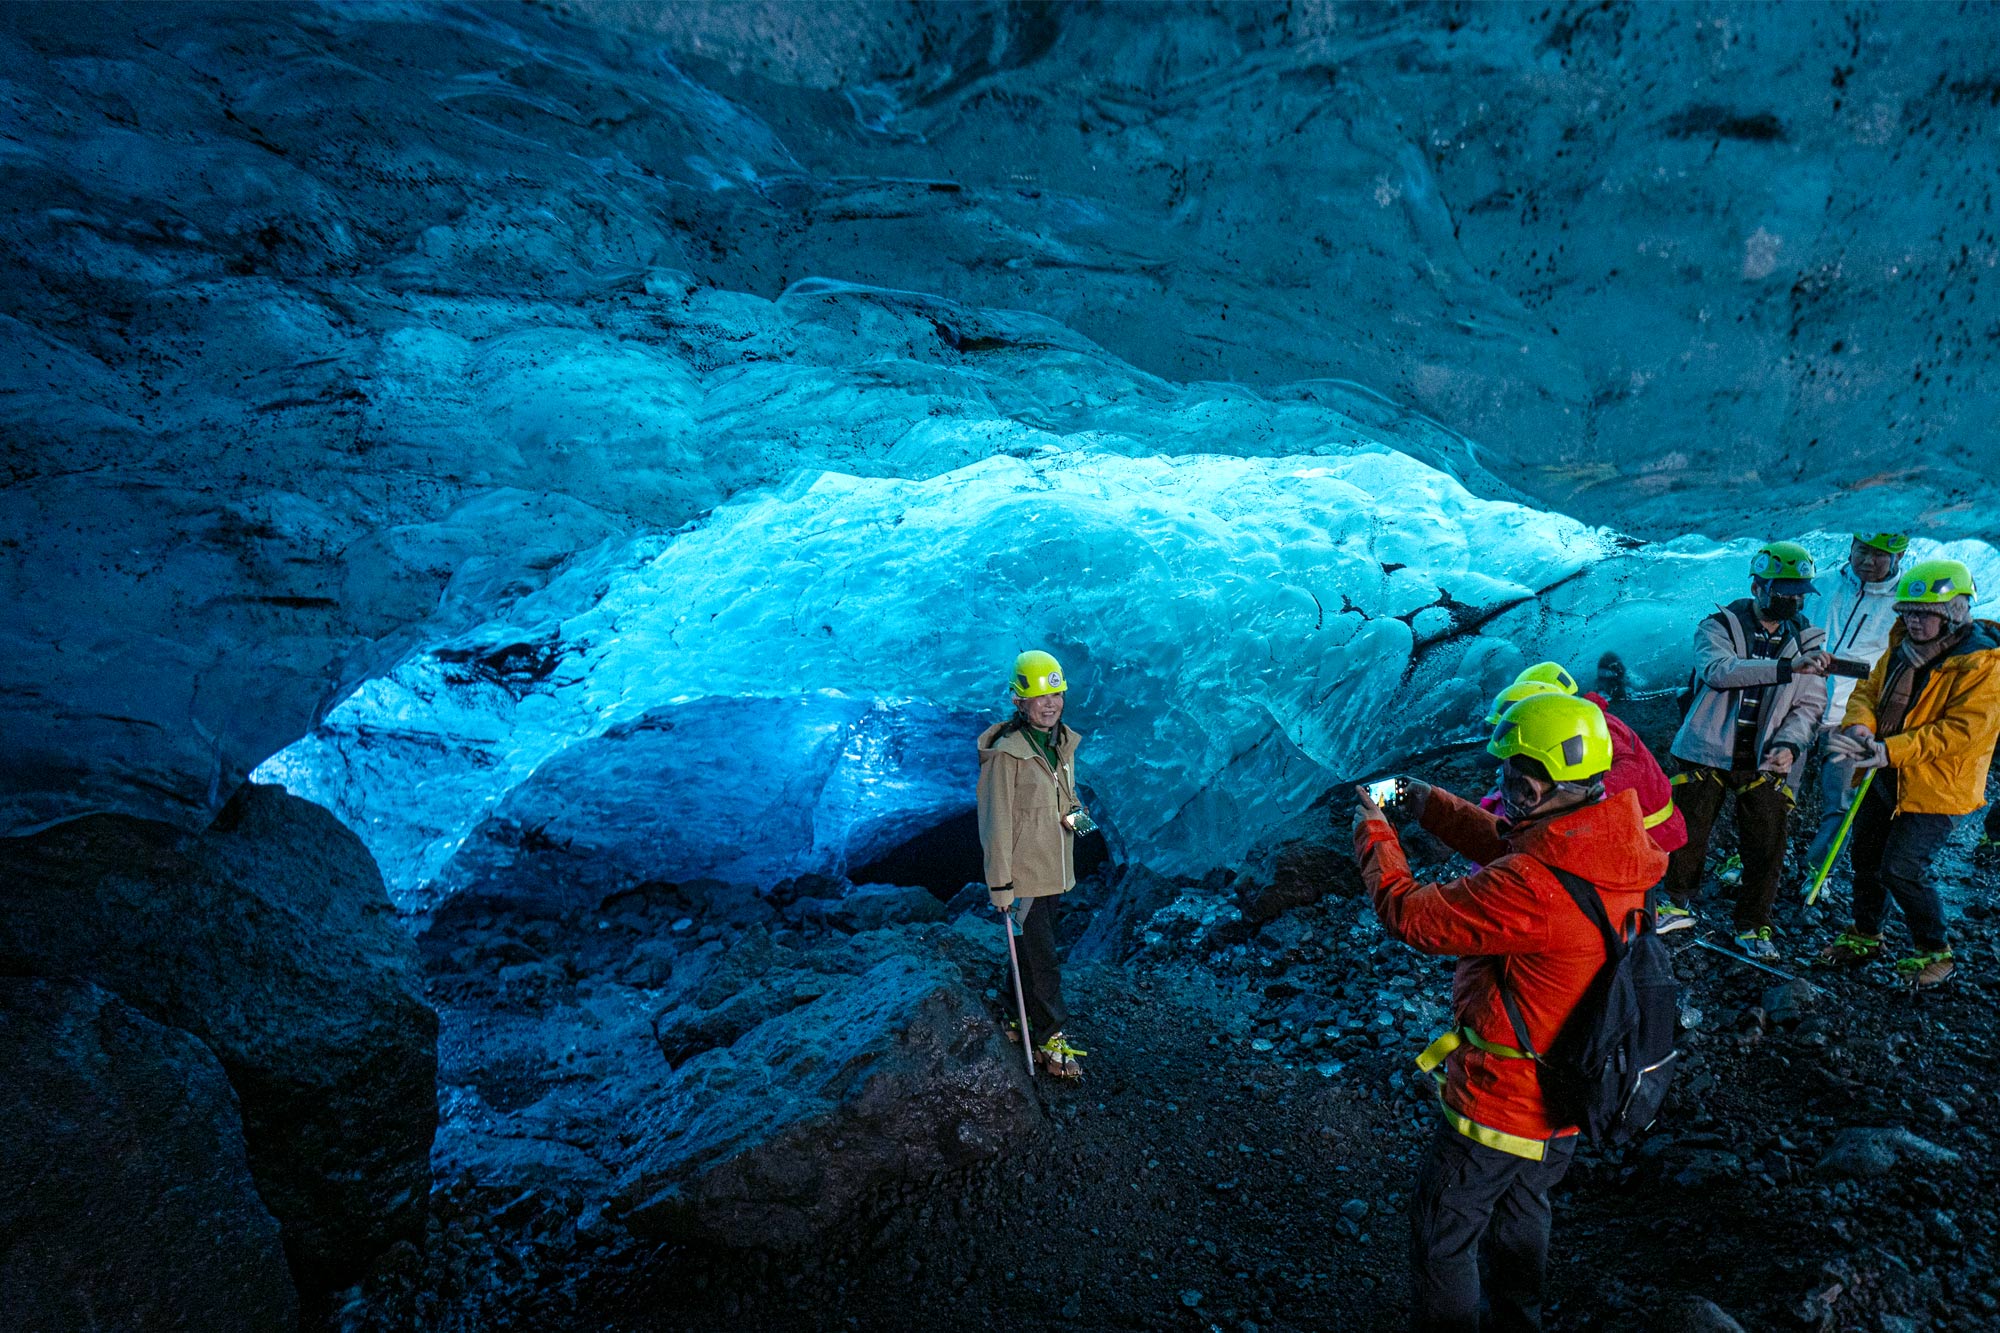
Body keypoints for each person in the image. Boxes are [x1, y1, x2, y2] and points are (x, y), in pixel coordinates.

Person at [1354, 692, 1666, 1333]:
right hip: (1566, 1097)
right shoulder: (1613, 846)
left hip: (1502, 1105)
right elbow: (1513, 846)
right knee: (1522, 1217)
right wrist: (1425, 801)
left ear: (1554, 786)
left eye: (1519, 784)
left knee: (1443, 1235)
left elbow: (1411, 914)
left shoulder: (1533, 889)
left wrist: (1374, 831)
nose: (1507, 794)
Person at [1817, 559, 2000, 988]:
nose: (1914, 621)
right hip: (1885, 771)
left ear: (1955, 611)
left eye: (1925, 613)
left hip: (1936, 786)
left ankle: (1936, 952)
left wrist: (1889, 750)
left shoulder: (1983, 664)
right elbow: (1868, 691)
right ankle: (1866, 934)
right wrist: (1860, 726)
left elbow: (1962, 732)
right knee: (1866, 858)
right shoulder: (1902, 645)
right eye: (1909, 611)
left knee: (1903, 868)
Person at [1660, 542, 1831, 957]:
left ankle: (1753, 925)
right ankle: (1676, 902)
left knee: (1767, 845)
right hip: (1706, 750)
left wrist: (1790, 744)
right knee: (1687, 832)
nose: (1793, 599)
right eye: (1784, 590)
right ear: (1758, 587)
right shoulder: (1718, 627)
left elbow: (1810, 705)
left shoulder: (1807, 639)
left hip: (1767, 757)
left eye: (1799, 592)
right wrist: (1786, 668)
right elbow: (1719, 672)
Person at [977, 649, 1092, 1078]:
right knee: (1042, 959)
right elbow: (996, 823)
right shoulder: (1008, 755)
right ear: (1018, 701)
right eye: (1040, 697)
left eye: (1056, 694)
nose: (1050, 704)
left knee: (1030, 952)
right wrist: (1001, 886)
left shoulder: (1060, 744)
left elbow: (1066, 798)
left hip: (1054, 870)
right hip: (1026, 876)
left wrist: (1080, 822)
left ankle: (1016, 1016)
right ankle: (1050, 1037)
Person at [1505, 661, 1688, 860]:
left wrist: (1581, 795)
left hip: (1652, 834)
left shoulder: (1591, 727)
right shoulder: (1588, 722)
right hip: (1646, 831)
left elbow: (1631, 767)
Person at [1806, 534, 1908, 869]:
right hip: (1798, 709)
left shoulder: (1905, 604)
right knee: (1773, 791)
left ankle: (1818, 872)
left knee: (1840, 803)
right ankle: (1758, 862)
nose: (1867, 561)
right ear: (1851, 547)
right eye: (1862, 550)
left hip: (1852, 720)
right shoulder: (1821, 585)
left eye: (1879, 554)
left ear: (1899, 556)